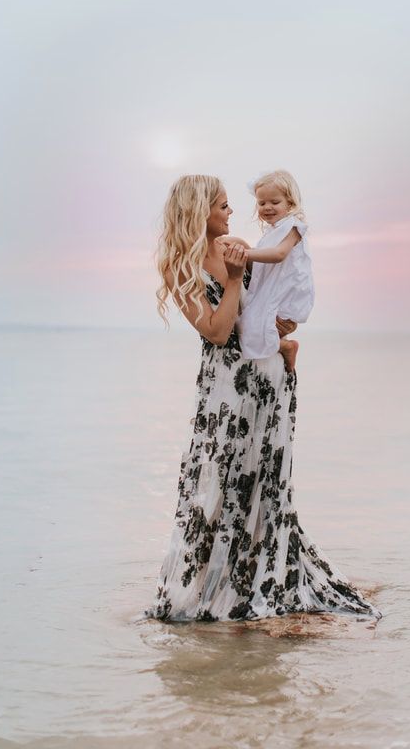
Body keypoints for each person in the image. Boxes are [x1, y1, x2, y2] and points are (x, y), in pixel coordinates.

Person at [144, 174, 381, 624]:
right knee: (223, 483)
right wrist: (234, 279)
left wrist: (286, 331)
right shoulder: (179, 266)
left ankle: (265, 580)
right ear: (200, 212)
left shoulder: (236, 246)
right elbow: (216, 331)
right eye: (223, 206)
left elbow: (269, 300)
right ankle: (213, 589)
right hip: (227, 391)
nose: (231, 213)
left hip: (269, 376)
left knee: (264, 483)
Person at [219, 170, 314, 373]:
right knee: (243, 326)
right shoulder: (271, 233)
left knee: (250, 328)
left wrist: (243, 254)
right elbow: (263, 265)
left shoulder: (294, 226)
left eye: (275, 202)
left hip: (285, 297)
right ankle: (281, 347)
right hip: (272, 294)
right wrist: (235, 245)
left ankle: (287, 347)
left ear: (290, 203)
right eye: (262, 203)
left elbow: (279, 254)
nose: (267, 207)